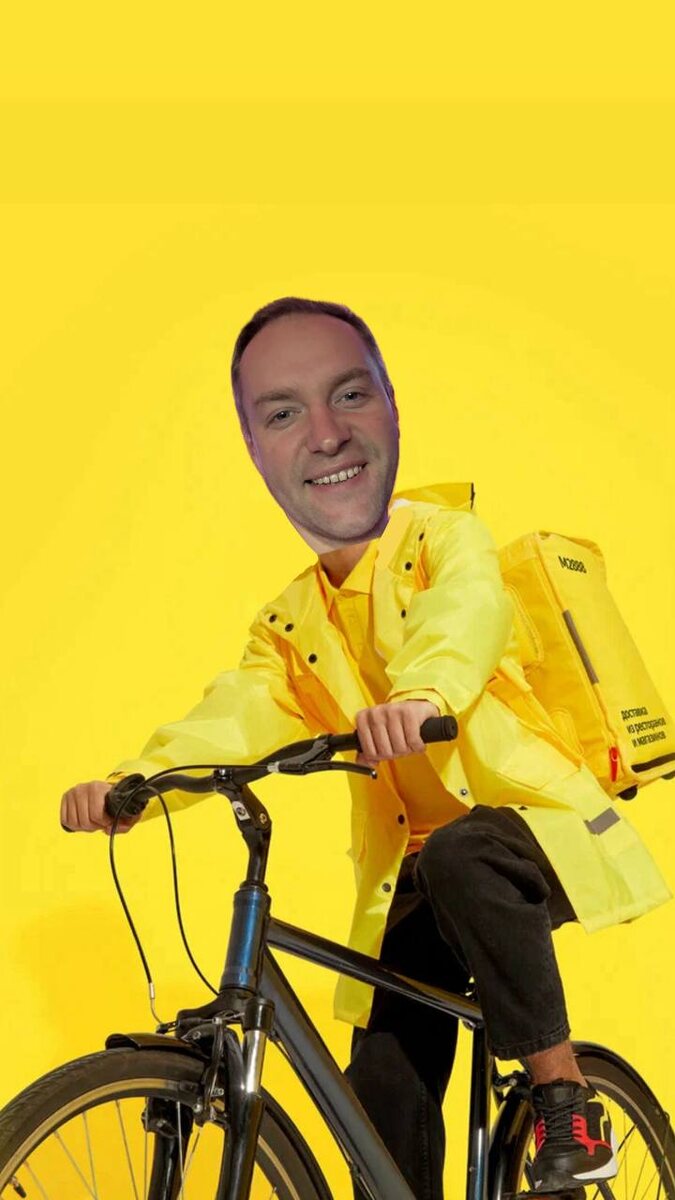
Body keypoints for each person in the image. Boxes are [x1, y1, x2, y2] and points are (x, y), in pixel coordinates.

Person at [60, 297, 670, 1200]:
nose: (324, 433)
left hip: (531, 830)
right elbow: (237, 711)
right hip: (418, 874)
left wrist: (423, 696)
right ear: (256, 451)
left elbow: (466, 615)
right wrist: (136, 783)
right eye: (283, 413)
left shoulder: (442, 539)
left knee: (462, 852)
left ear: (389, 411)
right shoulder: (290, 623)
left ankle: (561, 1097)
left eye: (348, 396)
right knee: (382, 1073)